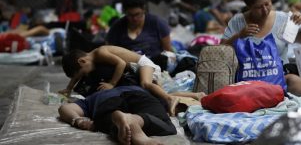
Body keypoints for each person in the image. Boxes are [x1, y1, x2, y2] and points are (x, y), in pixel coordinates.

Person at [221, 0, 301, 98]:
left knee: (293, 80)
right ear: (249, 7)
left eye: (267, 4)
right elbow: (221, 50)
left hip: (278, 78)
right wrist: (239, 36)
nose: (264, 10)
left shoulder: (283, 20)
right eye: (258, 7)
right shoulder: (238, 22)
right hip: (248, 78)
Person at [60, 45, 204, 116]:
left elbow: (121, 64)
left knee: (146, 84)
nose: (81, 77)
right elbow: (76, 75)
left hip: (144, 64)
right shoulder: (90, 60)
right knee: (158, 92)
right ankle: (196, 95)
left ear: (82, 61)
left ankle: (169, 99)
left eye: (80, 73)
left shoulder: (100, 52)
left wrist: (112, 84)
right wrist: (69, 88)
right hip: (136, 69)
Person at [58, 85, 176, 145]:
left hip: (107, 104)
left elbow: (64, 108)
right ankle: (134, 119)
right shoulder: (134, 84)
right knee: (167, 125)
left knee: (108, 124)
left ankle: (124, 121)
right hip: (138, 95)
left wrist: (78, 120)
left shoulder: (91, 98)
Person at [106, 0, 174, 69]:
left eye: (137, 14)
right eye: (130, 15)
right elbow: (107, 52)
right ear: (124, 12)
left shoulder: (157, 23)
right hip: (127, 69)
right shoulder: (117, 27)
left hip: (155, 68)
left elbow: (169, 52)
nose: (134, 19)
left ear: (144, 9)